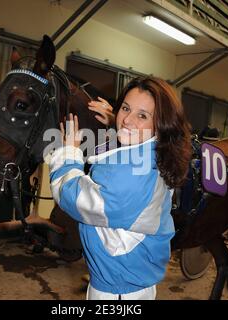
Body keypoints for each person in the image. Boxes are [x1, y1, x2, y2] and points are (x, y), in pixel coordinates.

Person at [45, 77, 192, 300]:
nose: (127, 120)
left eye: (142, 115)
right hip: (133, 275)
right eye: (125, 108)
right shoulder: (159, 153)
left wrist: (68, 153)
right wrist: (117, 121)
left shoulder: (132, 177)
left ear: (161, 125)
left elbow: (74, 198)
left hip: (118, 288)